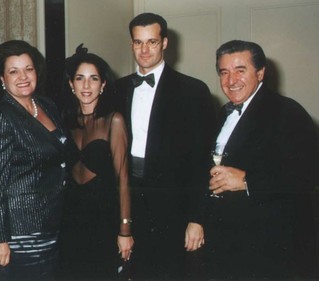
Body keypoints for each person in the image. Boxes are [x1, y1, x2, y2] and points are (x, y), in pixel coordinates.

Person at [205, 39, 318, 279]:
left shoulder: (287, 111)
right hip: (228, 243)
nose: (231, 80)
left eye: (240, 70)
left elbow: (308, 173)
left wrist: (247, 180)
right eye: (224, 72)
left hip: (271, 248)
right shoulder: (222, 113)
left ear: (261, 72)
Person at [115, 13, 216, 280]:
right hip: (127, 202)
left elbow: (202, 161)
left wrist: (197, 218)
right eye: (138, 42)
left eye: (152, 42)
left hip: (174, 208)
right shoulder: (116, 89)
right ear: (131, 44)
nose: (145, 50)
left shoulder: (193, 91)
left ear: (165, 43)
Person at [0, 40, 67, 281]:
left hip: (52, 224)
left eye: (28, 69)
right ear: (2, 79)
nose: (23, 76)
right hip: (21, 235)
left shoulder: (47, 105)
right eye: (13, 71)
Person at [58, 45, 134, 281]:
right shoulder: (65, 122)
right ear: (72, 84)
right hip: (70, 220)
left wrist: (125, 230)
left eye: (94, 79)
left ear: (103, 85)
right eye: (80, 79)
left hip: (103, 221)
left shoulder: (114, 121)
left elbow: (123, 179)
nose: (86, 85)